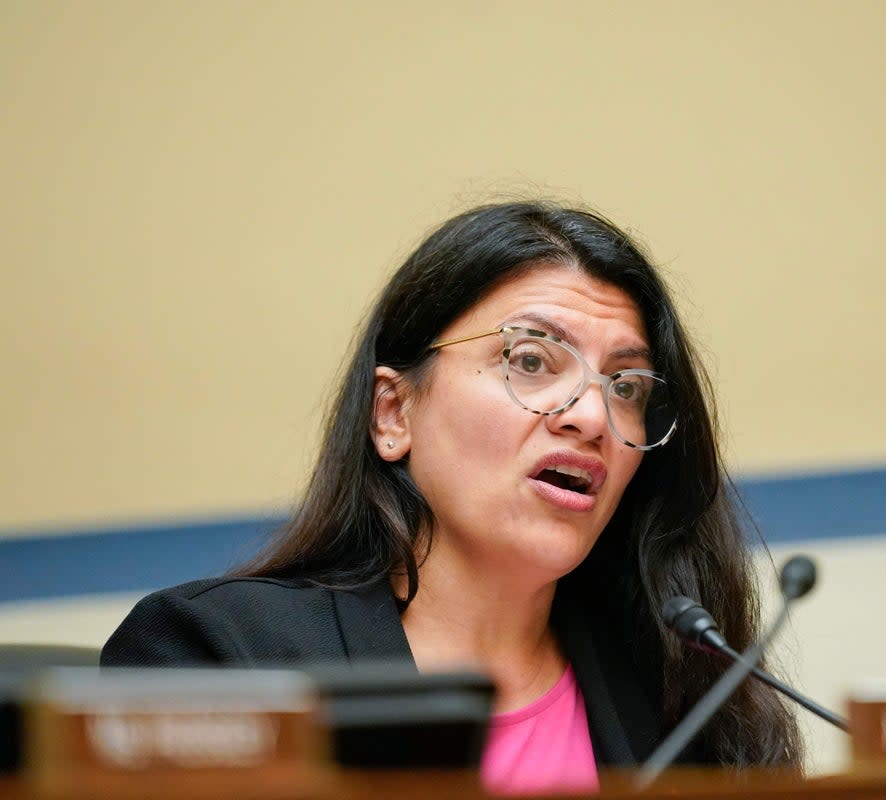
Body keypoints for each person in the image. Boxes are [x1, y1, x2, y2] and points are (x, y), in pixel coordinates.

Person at [102, 201, 802, 791]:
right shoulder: (221, 659)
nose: (591, 416)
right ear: (393, 414)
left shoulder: (678, 692)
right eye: (530, 360)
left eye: (627, 387)